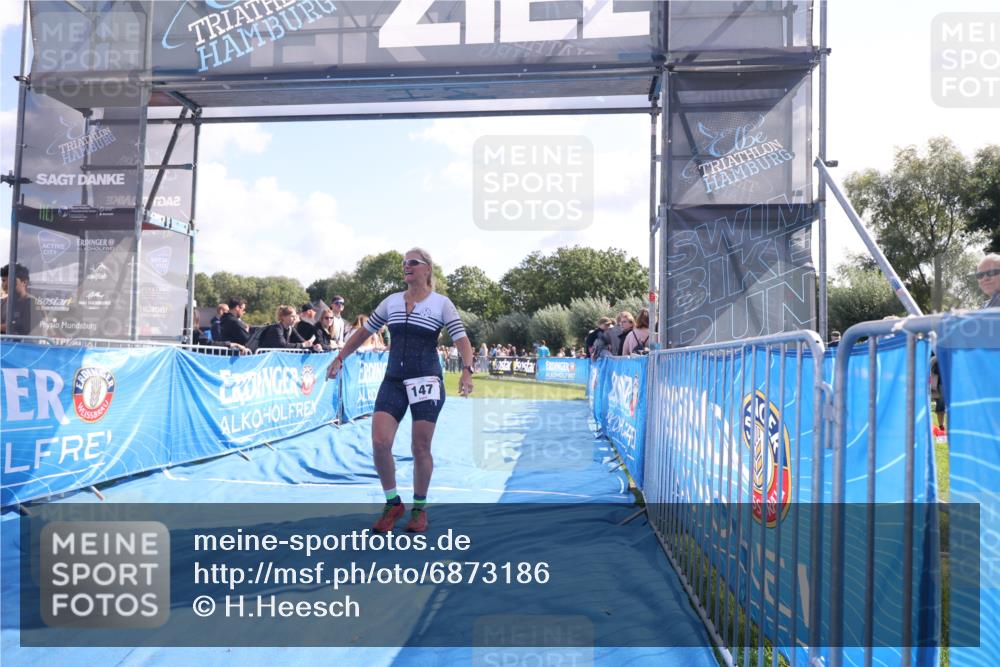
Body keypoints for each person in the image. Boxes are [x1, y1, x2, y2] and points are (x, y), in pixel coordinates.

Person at [326, 248, 474, 534]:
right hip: (394, 380)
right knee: (380, 441)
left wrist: (467, 371)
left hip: (426, 380)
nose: (407, 266)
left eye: (413, 262)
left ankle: (419, 508)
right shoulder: (391, 301)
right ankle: (393, 503)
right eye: (404, 263)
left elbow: (462, 340)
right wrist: (340, 356)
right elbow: (364, 332)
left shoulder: (441, 304)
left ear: (427, 268)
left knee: (420, 446)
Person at [0, 263, 41, 335]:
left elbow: (26, 328)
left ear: (24, 282)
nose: (5, 285)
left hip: (24, 342)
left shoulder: (32, 303)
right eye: (3, 280)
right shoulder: (3, 302)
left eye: (11, 280)